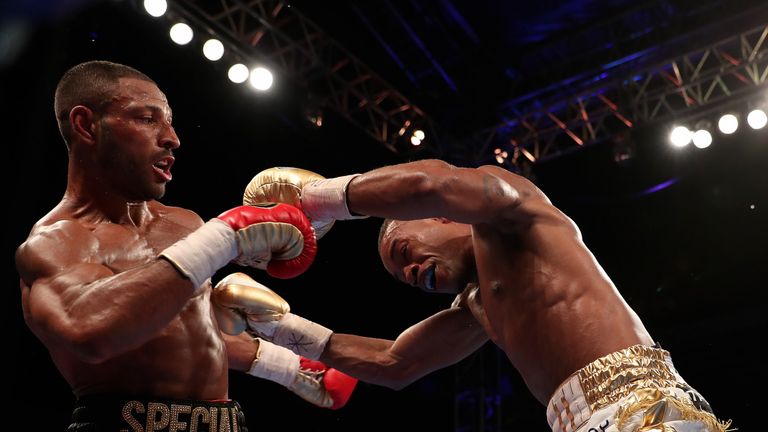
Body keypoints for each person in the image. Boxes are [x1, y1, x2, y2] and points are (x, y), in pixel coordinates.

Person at [216, 162, 731, 432]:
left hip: (638, 405)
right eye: (403, 276)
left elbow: (429, 182)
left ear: (440, 218)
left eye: (405, 250)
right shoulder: (480, 305)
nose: (412, 271)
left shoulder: (513, 209)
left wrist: (315, 201)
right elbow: (395, 363)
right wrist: (279, 329)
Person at [14, 60, 356, 432]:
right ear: (86, 125)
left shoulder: (183, 223)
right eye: (147, 118)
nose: (172, 137)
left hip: (225, 422)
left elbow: (189, 333)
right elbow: (91, 332)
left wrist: (289, 367)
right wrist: (225, 235)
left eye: (170, 121)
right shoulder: (55, 243)